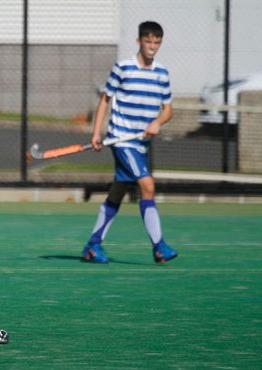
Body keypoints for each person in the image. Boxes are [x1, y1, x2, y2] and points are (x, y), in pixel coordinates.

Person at [81, 21, 178, 264]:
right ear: (139, 41)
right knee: (147, 186)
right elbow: (106, 100)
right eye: (148, 41)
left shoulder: (162, 73)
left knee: (118, 191)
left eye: (157, 42)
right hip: (121, 139)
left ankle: (92, 245)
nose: (152, 46)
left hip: (140, 144)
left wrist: (157, 122)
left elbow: (168, 110)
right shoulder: (122, 68)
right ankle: (159, 246)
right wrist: (96, 133)